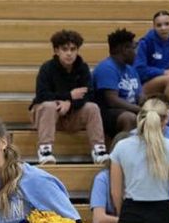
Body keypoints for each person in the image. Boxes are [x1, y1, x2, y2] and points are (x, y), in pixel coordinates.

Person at [29, 29, 109, 165]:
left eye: (73, 49)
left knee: (93, 107)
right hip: (48, 116)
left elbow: (89, 95)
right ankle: (45, 151)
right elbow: (42, 95)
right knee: (49, 105)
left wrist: (70, 104)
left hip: (71, 115)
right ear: (56, 51)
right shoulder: (47, 68)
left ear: (77, 50)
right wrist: (69, 96)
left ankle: (98, 150)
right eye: (65, 49)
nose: (69, 53)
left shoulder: (82, 68)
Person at [93, 28, 142, 138]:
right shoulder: (106, 68)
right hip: (107, 113)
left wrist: (151, 104)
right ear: (125, 49)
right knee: (129, 118)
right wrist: (141, 110)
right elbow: (112, 101)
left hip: (130, 109)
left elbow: (139, 96)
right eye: (134, 48)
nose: (136, 53)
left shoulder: (131, 69)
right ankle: (121, 153)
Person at [134, 11, 169, 99]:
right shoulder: (146, 43)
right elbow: (139, 70)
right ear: (154, 26)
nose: (163, 28)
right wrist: (164, 72)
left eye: (167, 24)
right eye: (159, 25)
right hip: (147, 84)